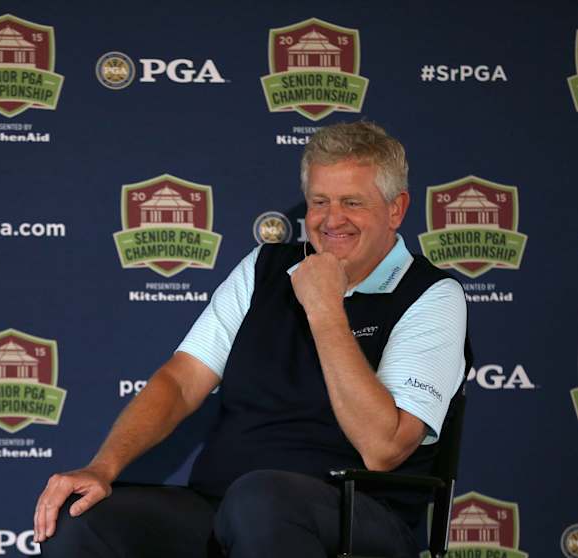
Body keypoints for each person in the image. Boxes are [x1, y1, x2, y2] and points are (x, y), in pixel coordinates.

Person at [33, 121, 469, 558]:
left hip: (359, 518)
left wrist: (325, 309)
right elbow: (182, 381)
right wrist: (102, 467)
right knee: (81, 519)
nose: (332, 219)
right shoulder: (264, 267)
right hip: (226, 507)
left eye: (352, 202)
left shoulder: (433, 295)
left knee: (260, 500)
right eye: (319, 202)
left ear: (397, 209)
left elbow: (384, 447)